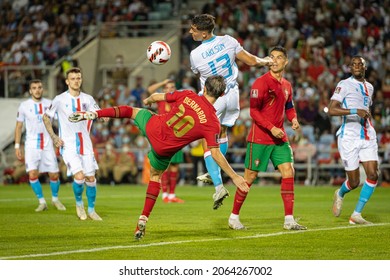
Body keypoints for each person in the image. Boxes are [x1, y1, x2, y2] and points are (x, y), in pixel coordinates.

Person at [68, 75, 249, 240]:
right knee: (155, 177)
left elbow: (156, 97)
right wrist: (234, 176)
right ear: (222, 94)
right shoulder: (213, 124)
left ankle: (94, 114)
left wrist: (148, 100)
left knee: (130, 111)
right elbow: (215, 153)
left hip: (155, 126)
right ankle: (143, 219)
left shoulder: (188, 94)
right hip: (164, 149)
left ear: (205, 88)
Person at [189, 14, 274, 204]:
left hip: (213, 97)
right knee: (223, 132)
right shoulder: (228, 40)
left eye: (193, 29)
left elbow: (196, 73)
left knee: (207, 138)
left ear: (203, 34)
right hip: (232, 94)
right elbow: (251, 61)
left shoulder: (195, 54)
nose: (190, 32)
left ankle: (218, 185)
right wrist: (266, 61)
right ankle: (215, 170)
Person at [228, 46, 307, 231]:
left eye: (279, 57)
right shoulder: (260, 83)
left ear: (286, 61)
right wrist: (271, 128)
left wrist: (293, 119)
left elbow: (289, 106)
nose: (274, 60)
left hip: (280, 138)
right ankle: (233, 217)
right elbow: (254, 111)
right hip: (260, 137)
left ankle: (289, 220)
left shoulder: (287, 85)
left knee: (288, 172)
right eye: (272, 57)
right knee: (250, 177)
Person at [43, 67, 103, 221]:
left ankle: (91, 210)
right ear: (67, 81)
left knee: (90, 178)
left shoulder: (88, 99)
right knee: (80, 175)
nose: (77, 81)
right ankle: (79, 204)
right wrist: (54, 137)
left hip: (86, 144)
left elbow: (100, 114)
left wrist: (103, 116)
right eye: (73, 78)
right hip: (68, 144)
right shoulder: (59, 99)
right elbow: (45, 117)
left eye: (79, 78)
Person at [328, 55, 379, 224]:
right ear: (350, 68)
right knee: (355, 181)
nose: (357, 66)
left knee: (373, 174)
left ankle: (356, 214)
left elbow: (366, 108)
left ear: (365, 68)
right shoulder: (344, 84)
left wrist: (363, 114)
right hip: (349, 137)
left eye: (360, 64)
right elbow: (332, 110)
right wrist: (354, 111)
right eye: (354, 64)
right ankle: (340, 193)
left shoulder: (370, 87)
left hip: (367, 135)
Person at [14, 79, 66, 212]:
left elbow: (61, 122)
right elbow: (19, 126)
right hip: (31, 145)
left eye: (39, 87)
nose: (37, 90)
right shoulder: (24, 106)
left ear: (43, 89)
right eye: (34, 88)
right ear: (30, 90)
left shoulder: (50, 104)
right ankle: (42, 202)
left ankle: (55, 199)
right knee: (32, 173)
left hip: (48, 145)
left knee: (54, 175)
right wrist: (17, 145)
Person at [147, 79, 184, 203]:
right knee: (165, 167)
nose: (170, 89)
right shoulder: (161, 100)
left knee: (175, 167)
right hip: (163, 137)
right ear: (164, 90)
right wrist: (163, 82)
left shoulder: (178, 100)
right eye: (167, 87)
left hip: (177, 136)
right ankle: (164, 195)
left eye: (173, 87)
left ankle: (172, 195)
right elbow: (150, 90)